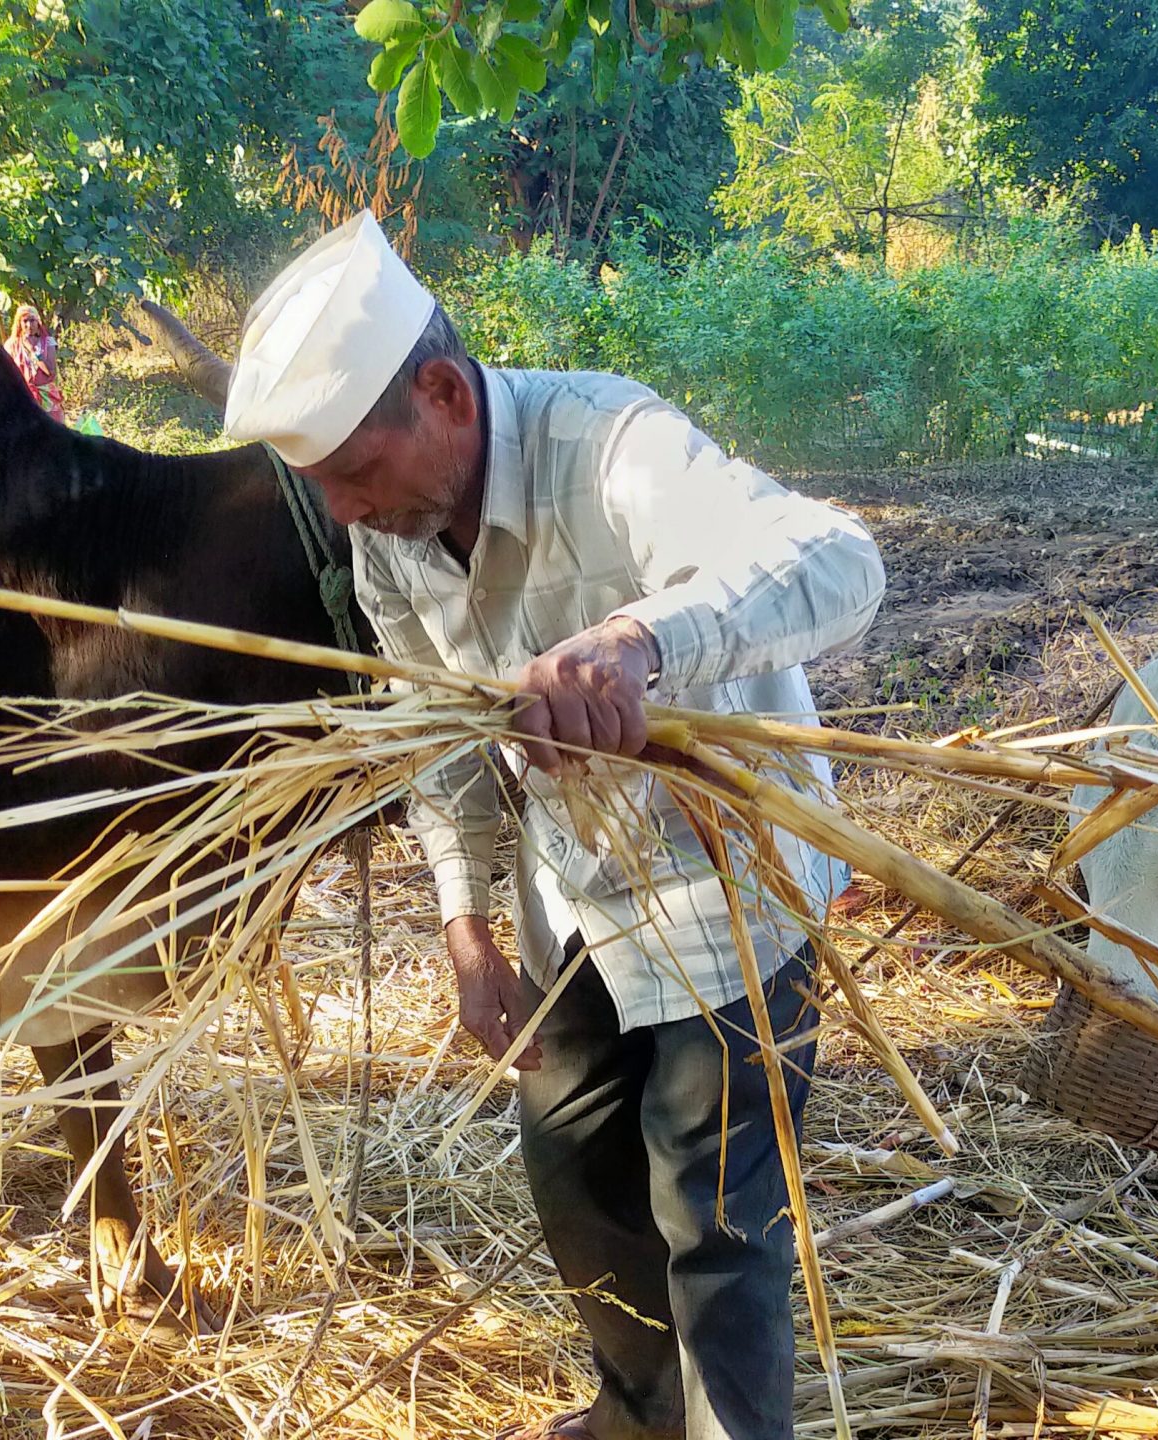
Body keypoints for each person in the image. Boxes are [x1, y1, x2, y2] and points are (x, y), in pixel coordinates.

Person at [222, 211, 885, 1440]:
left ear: (441, 391)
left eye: (357, 472)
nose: (348, 513)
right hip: (567, 888)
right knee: (573, 1171)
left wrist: (640, 640)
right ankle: (641, 1418)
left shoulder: (611, 443)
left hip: (722, 887)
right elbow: (444, 745)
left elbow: (837, 561)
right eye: (324, 489)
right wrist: (467, 924)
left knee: (711, 1212)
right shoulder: (392, 544)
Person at [4, 303, 66, 421]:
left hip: (46, 396)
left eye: (32, 321)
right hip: (23, 396)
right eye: (25, 321)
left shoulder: (48, 343)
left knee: (53, 432)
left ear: (38, 322)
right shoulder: (12, 345)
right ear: (20, 324)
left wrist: (33, 350)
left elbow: (50, 372)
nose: (29, 325)